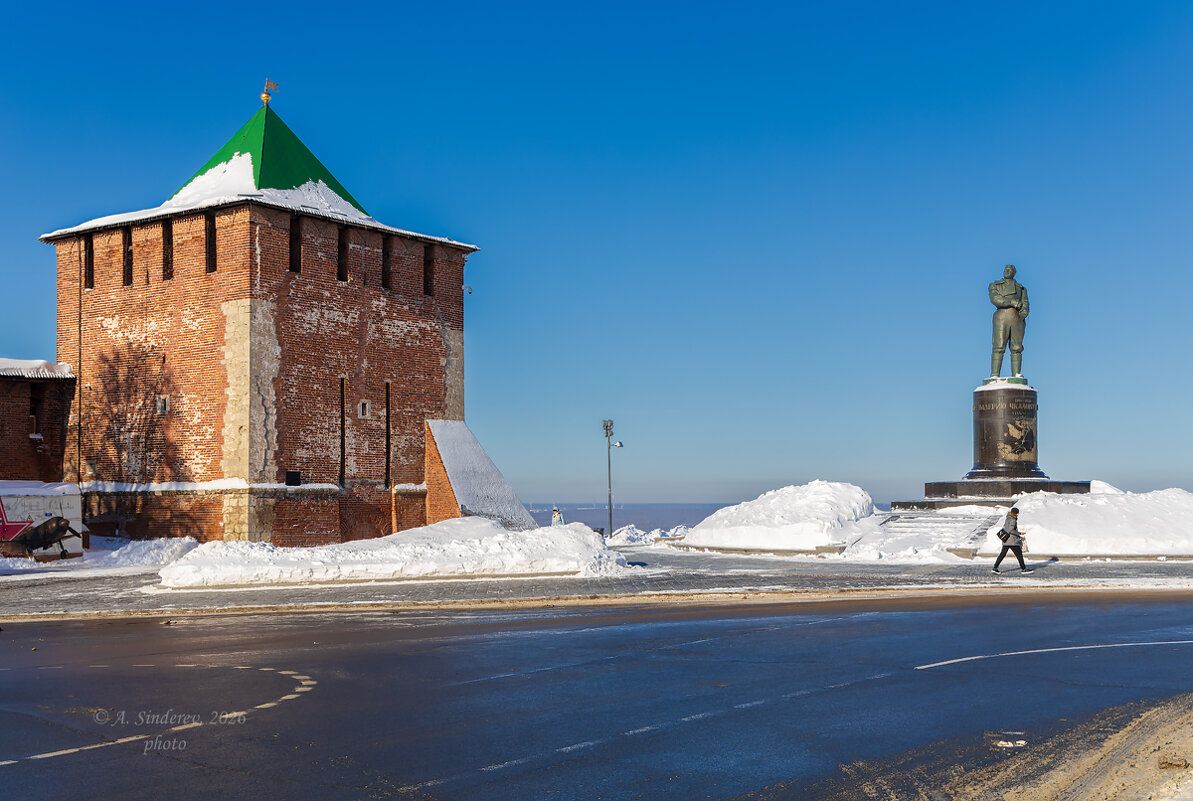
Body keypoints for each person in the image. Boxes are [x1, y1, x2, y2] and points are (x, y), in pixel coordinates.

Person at [989, 264, 1030, 378]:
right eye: (1005, 270)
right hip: (1001, 317)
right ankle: (994, 375)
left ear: (1014, 273)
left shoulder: (1021, 289)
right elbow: (995, 299)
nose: (1007, 272)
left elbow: (1025, 303)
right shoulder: (995, 286)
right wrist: (1012, 302)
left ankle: (1016, 374)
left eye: (1010, 270)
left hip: (1016, 319)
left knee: (1017, 347)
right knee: (999, 346)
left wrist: (1023, 314)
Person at [993, 507, 1033, 573]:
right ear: (1015, 513)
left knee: (1002, 554)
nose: (1018, 514)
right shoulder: (1013, 520)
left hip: (1006, 540)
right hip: (1012, 541)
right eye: (1017, 513)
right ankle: (1024, 569)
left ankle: (995, 568)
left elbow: (1006, 528)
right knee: (1019, 555)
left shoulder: (1008, 518)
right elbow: (1011, 530)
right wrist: (1019, 533)